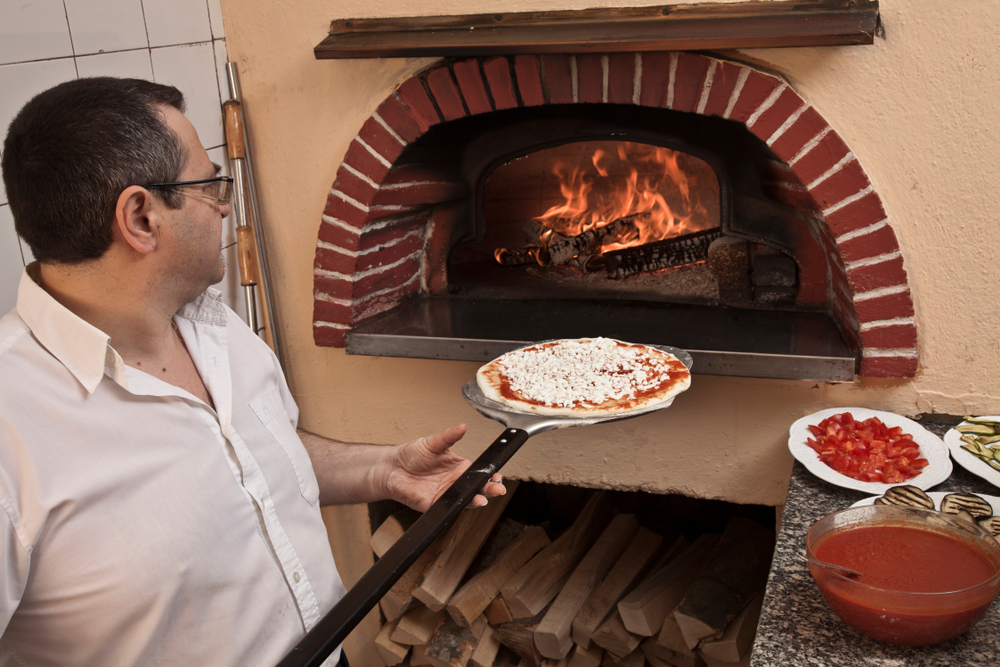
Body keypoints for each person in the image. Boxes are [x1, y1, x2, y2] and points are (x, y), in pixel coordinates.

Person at [0, 77, 504, 667]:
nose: (223, 203)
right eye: (210, 185)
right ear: (141, 217)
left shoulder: (214, 326)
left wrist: (383, 469)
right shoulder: (14, 423)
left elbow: (249, 456)